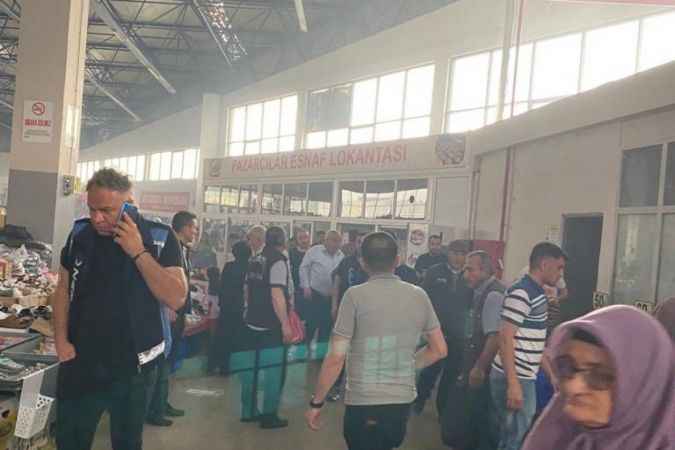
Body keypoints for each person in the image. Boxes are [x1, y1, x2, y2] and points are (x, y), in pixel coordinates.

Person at [53, 169, 187, 450]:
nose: (97, 218)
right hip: (81, 360)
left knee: (127, 443)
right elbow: (63, 288)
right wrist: (61, 340)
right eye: (92, 209)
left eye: (106, 210)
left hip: (134, 368)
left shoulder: (160, 237)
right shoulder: (80, 234)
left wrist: (138, 252)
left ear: (129, 204)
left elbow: (176, 297)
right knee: (70, 440)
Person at [305, 232, 448, 450]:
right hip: (400, 401)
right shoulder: (419, 295)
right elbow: (439, 349)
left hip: (363, 400)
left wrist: (317, 402)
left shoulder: (354, 296)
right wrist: (408, 365)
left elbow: (336, 356)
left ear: (363, 263)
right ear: (397, 260)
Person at [522, 305, 675, 450]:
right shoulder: (555, 437)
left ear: (645, 390)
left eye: (601, 376)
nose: (573, 387)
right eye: (566, 367)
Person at [491, 242, 567, 450]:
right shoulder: (522, 293)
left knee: (517, 436)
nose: (561, 274)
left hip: (525, 377)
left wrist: (551, 374)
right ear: (544, 264)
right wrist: (513, 383)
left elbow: (534, 341)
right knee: (513, 439)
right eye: (559, 267)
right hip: (515, 376)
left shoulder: (537, 293)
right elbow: (505, 337)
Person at [441, 250, 504, 450]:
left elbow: (495, 337)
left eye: (470, 270)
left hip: (482, 366)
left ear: (485, 270)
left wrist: (479, 368)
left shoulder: (493, 294)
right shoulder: (477, 291)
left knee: (477, 418)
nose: (465, 274)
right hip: (471, 360)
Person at [235, 226, 294, 429]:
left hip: (251, 322)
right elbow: (276, 294)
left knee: (250, 371)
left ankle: (248, 411)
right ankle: (269, 416)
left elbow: (247, 289)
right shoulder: (278, 260)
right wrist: (285, 325)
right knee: (273, 372)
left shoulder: (255, 258)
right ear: (282, 241)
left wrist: (248, 310)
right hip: (270, 325)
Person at [415, 239, 472, 416]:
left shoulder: (470, 276)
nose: (458, 257)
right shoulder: (435, 272)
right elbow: (422, 297)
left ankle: (443, 409)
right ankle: (418, 403)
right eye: (455, 253)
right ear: (448, 253)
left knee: (451, 374)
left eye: (462, 254)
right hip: (435, 331)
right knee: (429, 371)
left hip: (458, 334)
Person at [328, 233, 368, 401]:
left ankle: (357, 388)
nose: (361, 245)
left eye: (364, 242)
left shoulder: (374, 263)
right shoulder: (346, 261)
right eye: (359, 241)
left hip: (366, 316)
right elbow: (337, 283)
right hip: (345, 313)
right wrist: (334, 305)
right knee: (339, 351)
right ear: (355, 243)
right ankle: (335, 386)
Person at [300, 230, 344, 358]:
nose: (336, 244)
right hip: (314, 295)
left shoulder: (341, 256)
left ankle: (320, 355)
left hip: (330, 299)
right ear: (326, 241)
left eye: (338, 241)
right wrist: (306, 286)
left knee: (326, 328)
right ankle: (305, 351)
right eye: (333, 241)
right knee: (311, 325)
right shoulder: (314, 251)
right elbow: (303, 268)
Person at [210, 240, 251, 375]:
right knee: (237, 338)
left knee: (222, 337)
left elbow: (222, 286)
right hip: (241, 308)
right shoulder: (250, 267)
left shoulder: (229, 266)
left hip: (226, 307)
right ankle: (232, 367)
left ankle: (216, 365)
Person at [289, 229, 311, 322]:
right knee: (297, 318)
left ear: (309, 238)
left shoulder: (314, 252)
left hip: (312, 291)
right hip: (297, 290)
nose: (304, 240)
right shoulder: (291, 253)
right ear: (297, 240)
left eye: (305, 237)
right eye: (300, 238)